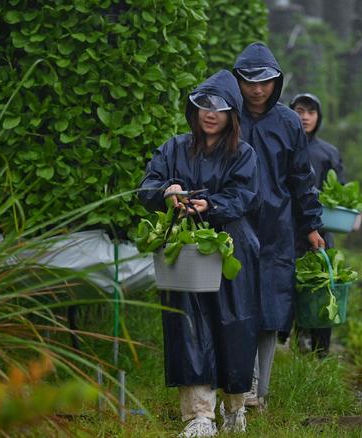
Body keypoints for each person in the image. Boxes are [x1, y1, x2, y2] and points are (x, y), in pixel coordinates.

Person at [138, 70, 259, 438]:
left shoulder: (243, 153)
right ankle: (199, 415)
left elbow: (243, 196)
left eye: (220, 108)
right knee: (188, 325)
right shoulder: (173, 147)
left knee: (233, 326)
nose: (211, 113)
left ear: (231, 115)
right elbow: (146, 186)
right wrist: (166, 192)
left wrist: (210, 205)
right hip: (185, 248)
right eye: (204, 104)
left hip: (230, 247)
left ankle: (235, 407)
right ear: (194, 109)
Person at [232, 42, 325, 408]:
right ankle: (244, 382)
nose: (257, 90)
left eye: (265, 82)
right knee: (239, 304)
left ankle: (261, 389)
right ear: (237, 80)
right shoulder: (229, 115)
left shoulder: (287, 122)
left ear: (277, 83)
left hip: (276, 226)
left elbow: (301, 177)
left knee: (271, 307)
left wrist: (312, 225)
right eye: (249, 81)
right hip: (235, 221)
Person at [290, 92, 346, 356]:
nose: (304, 117)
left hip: (320, 232)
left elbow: (340, 193)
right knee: (288, 286)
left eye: (311, 112)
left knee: (323, 287)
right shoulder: (283, 146)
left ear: (319, 117)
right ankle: (288, 339)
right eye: (299, 110)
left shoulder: (328, 153)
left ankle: (321, 351)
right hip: (286, 231)